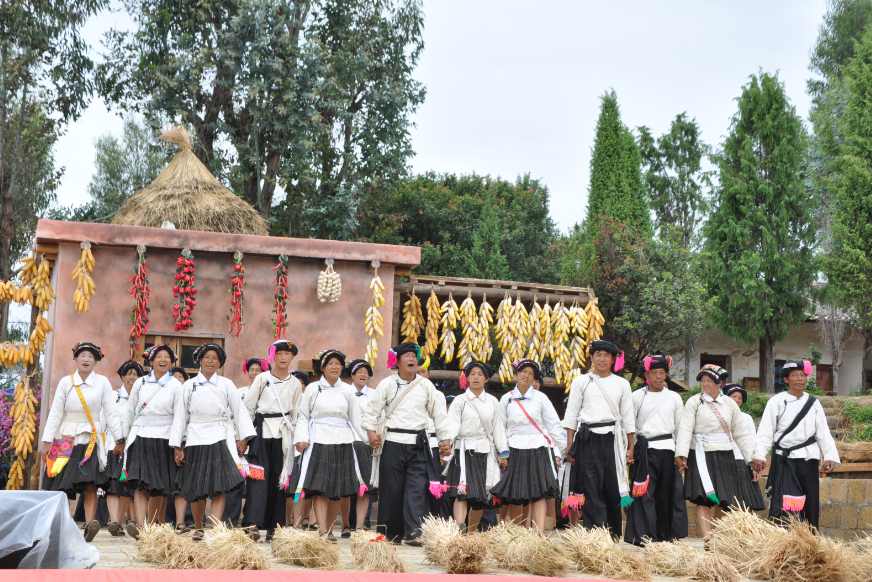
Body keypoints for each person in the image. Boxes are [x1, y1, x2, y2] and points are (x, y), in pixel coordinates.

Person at [361, 342, 450, 545]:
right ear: (398, 361)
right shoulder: (387, 384)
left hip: (418, 444)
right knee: (392, 490)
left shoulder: (426, 386)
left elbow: (439, 415)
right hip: (392, 443)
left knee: (417, 488)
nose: (411, 359)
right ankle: (390, 534)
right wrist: (371, 433)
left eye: (414, 356)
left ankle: (414, 532)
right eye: (407, 356)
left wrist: (446, 439)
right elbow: (371, 412)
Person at [170, 343, 256, 541]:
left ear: (220, 362)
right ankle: (199, 527)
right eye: (206, 357)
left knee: (219, 486)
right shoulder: (189, 386)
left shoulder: (226, 384)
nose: (210, 361)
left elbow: (239, 410)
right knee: (197, 488)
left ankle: (216, 528)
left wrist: (242, 438)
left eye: (214, 358)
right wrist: (177, 446)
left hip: (219, 437)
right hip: (195, 439)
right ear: (199, 360)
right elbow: (181, 416)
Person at [42, 342, 123, 543]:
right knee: (61, 484)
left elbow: (111, 413)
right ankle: (59, 524)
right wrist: (47, 441)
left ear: (96, 360)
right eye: (82, 355)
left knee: (90, 484)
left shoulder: (103, 383)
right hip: (67, 437)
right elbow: (55, 413)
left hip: (91, 438)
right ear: (75, 359)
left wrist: (119, 438)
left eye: (90, 356)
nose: (86, 359)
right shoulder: (65, 383)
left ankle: (89, 525)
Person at [753, 360, 839, 529]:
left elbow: (822, 432)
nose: (800, 379)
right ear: (786, 380)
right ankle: (785, 538)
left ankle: (811, 538)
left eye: (803, 375)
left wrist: (829, 456)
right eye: (794, 375)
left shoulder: (814, 403)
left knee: (810, 499)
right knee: (784, 500)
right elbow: (765, 431)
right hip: (784, 459)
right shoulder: (776, 401)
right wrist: (759, 456)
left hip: (808, 458)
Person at [563, 340, 635, 540]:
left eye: (606, 355)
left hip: (613, 440)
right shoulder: (580, 381)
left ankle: (612, 537)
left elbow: (628, 417)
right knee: (591, 487)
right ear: (592, 358)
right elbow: (571, 414)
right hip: (587, 440)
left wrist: (631, 447)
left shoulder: (622, 384)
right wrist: (570, 444)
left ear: (613, 359)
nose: (602, 359)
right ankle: (596, 538)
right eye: (598, 354)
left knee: (612, 488)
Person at [293, 350, 367, 542]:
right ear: (323, 367)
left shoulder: (348, 390)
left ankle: (331, 529)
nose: (335, 367)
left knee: (337, 491)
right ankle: (322, 530)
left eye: (338, 363)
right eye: (330, 363)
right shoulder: (313, 389)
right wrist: (301, 438)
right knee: (319, 489)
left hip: (342, 442)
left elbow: (356, 419)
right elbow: (303, 415)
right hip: (318, 441)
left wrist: (369, 439)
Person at [675, 364, 754, 541]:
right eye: (703, 380)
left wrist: (752, 459)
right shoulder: (694, 402)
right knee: (703, 498)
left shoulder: (730, 405)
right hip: (700, 453)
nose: (705, 384)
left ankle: (717, 535)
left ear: (720, 383)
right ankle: (707, 538)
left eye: (709, 381)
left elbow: (740, 433)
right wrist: (681, 454)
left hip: (724, 454)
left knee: (724, 498)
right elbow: (685, 429)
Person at [490, 359, 565, 533]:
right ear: (517, 373)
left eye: (531, 373)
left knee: (538, 492)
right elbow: (500, 427)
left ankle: (539, 533)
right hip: (514, 449)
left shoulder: (541, 398)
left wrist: (565, 448)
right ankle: (516, 534)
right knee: (516, 493)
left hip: (538, 448)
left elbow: (553, 424)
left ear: (535, 378)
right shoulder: (506, 399)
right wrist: (501, 453)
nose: (527, 376)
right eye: (524, 371)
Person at [121, 345, 186, 538]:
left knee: (159, 486)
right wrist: (123, 439)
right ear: (151, 360)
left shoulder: (175, 385)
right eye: (159, 356)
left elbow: (179, 416)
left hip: (164, 438)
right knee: (141, 483)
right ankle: (140, 527)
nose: (163, 359)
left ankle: (151, 525)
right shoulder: (140, 383)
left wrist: (177, 445)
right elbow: (130, 411)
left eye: (167, 356)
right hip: (141, 436)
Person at [242, 341, 302, 541]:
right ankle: (252, 525)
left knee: (279, 481)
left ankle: (274, 527)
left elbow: (297, 414)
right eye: (280, 353)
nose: (283, 357)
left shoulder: (294, 383)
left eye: (287, 354)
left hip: (283, 435)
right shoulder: (262, 378)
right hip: (261, 433)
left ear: (292, 357)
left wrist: (299, 439)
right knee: (257, 479)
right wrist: (243, 437)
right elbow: (248, 408)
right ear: (273, 356)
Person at [623, 355, 685, 546]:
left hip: (667, 450)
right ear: (646, 375)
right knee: (645, 495)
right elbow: (629, 425)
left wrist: (680, 455)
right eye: (654, 373)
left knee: (666, 494)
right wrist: (630, 449)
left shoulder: (674, 398)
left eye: (662, 373)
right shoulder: (636, 397)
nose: (658, 377)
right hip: (645, 450)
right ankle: (645, 536)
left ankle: (666, 536)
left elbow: (680, 428)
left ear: (666, 374)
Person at [444, 361, 508, 534]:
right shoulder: (459, 401)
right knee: (461, 493)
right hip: (463, 451)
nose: (476, 377)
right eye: (472, 374)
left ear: (486, 378)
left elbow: (498, 429)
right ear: (467, 377)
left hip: (484, 451)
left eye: (480, 374)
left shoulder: (493, 402)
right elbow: (452, 425)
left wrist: (503, 453)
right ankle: (459, 528)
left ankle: (470, 534)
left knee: (480, 498)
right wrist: (446, 443)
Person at [104, 360, 141, 536]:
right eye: (128, 373)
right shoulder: (112, 397)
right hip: (113, 444)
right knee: (111, 483)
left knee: (126, 485)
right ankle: (114, 521)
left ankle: (119, 520)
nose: (132, 377)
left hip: (133, 446)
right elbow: (106, 420)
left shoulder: (142, 398)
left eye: (135, 374)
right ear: (122, 376)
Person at [341, 359, 377, 533]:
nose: (363, 374)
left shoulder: (375, 395)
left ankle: (360, 526)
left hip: (366, 444)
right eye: (359, 371)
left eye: (366, 372)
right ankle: (346, 525)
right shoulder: (344, 392)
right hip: (347, 442)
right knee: (346, 487)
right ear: (352, 375)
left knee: (365, 488)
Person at [719, 384, 766, 513]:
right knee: (723, 502)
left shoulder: (747, 418)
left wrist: (753, 467)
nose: (737, 400)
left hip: (742, 461)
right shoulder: (717, 416)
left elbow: (752, 442)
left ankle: (745, 531)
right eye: (734, 396)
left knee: (746, 501)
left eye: (740, 398)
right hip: (723, 461)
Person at [419, 355, 450, 521]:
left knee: (435, 484)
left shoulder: (438, 395)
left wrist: (443, 444)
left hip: (433, 444)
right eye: (417, 372)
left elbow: (442, 421)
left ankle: (435, 520)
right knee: (417, 484)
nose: (421, 375)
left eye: (423, 372)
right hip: (416, 443)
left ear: (428, 374)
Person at [288, 369, 314, 530]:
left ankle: (304, 520)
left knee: (303, 486)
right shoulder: (286, 401)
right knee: (290, 486)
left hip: (306, 446)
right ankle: (290, 521)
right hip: (288, 445)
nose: (298, 386)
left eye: (301, 384)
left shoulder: (309, 400)